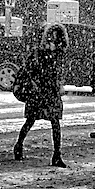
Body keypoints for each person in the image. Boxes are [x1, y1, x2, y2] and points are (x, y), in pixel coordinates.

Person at [14, 23, 68, 168]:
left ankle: (56, 154)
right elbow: (30, 71)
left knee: (53, 122)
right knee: (32, 120)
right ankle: (19, 145)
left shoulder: (55, 54)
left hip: (48, 92)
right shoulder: (40, 53)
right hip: (39, 92)